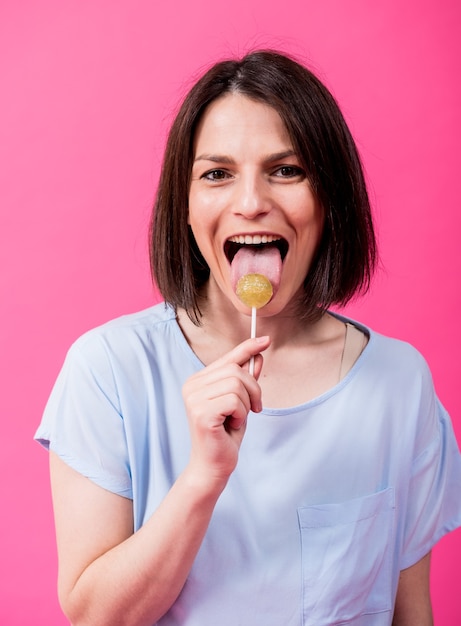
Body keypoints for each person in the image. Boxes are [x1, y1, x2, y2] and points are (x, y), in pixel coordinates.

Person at [35, 50, 461, 626]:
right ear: (184, 207)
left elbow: (412, 613)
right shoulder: (108, 369)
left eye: (287, 170)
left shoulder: (399, 383)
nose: (252, 202)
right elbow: (93, 617)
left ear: (329, 199)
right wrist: (202, 479)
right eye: (216, 174)